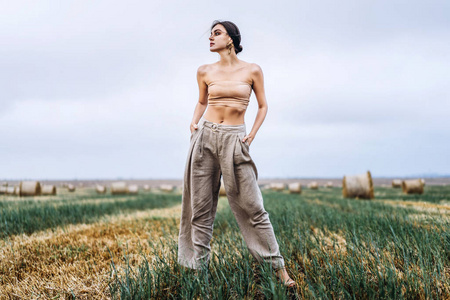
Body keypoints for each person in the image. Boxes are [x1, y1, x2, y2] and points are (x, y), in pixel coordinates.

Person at [177, 20, 296, 288]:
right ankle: (199, 274)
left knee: (253, 207)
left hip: (235, 139)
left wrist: (252, 133)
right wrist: (193, 122)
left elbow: (263, 105)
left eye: (216, 33)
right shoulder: (204, 71)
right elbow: (202, 101)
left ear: (231, 38)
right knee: (200, 209)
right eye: (210, 34)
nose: (210, 37)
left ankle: (280, 271)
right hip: (205, 138)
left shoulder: (252, 70)